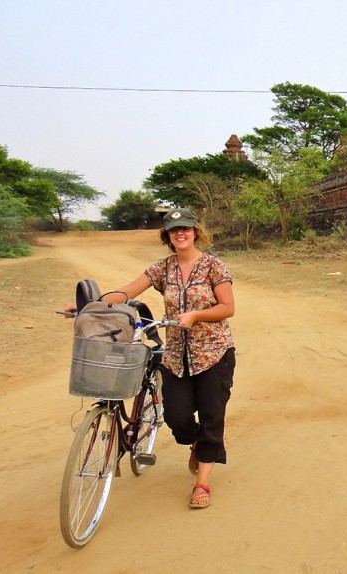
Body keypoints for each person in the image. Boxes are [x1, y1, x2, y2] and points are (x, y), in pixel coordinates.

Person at [66, 208, 236, 509]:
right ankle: (196, 443)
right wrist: (90, 305)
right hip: (174, 356)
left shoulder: (213, 266)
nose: (180, 234)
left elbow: (227, 307)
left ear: (195, 231)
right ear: (167, 236)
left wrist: (196, 315)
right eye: (173, 230)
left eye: (185, 228)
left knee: (212, 417)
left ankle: (202, 484)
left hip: (214, 353)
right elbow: (126, 292)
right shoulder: (162, 268)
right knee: (176, 416)